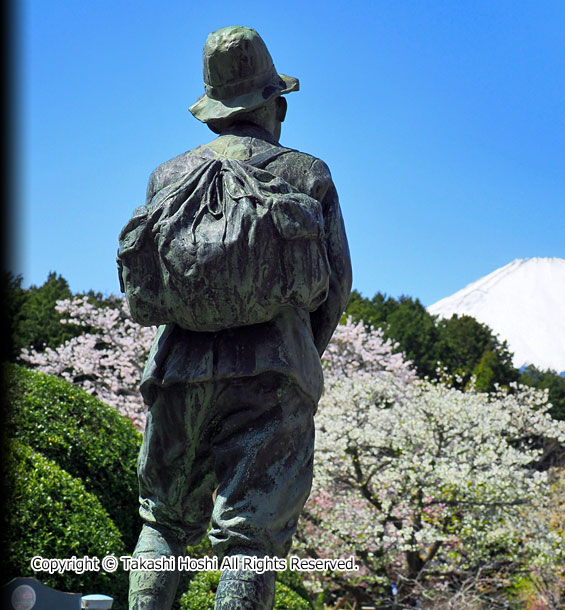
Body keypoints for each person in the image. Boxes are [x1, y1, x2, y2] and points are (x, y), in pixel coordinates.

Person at [126, 26, 351, 610]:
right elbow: (337, 286)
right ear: (274, 104)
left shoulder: (166, 178)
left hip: (178, 368)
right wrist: (301, 353)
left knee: (164, 523)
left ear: (212, 111)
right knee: (251, 537)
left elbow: (148, 286)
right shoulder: (307, 174)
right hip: (276, 370)